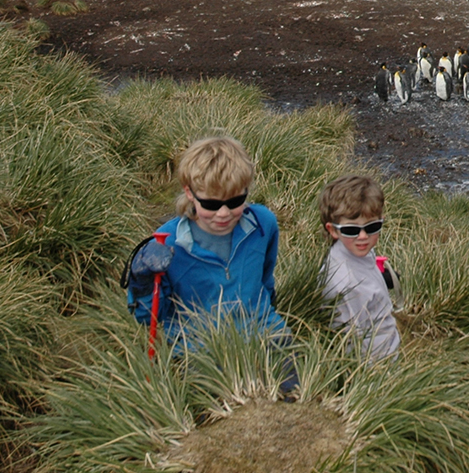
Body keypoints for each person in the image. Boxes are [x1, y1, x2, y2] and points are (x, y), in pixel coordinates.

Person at [126, 136, 288, 349]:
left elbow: (265, 281)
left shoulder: (263, 224)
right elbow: (149, 318)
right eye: (211, 204)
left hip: (265, 335)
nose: (223, 213)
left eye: (235, 201)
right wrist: (142, 282)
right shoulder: (167, 241)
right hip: (197, 350)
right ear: (189, 193)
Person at [319, 174, 400, 360]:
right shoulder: (346, 285)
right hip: (376, 365)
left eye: (372, 227)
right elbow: (351, 342)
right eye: (351, 230)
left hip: (386, 345)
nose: (363, 236)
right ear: (333, 230)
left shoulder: (355, 250)